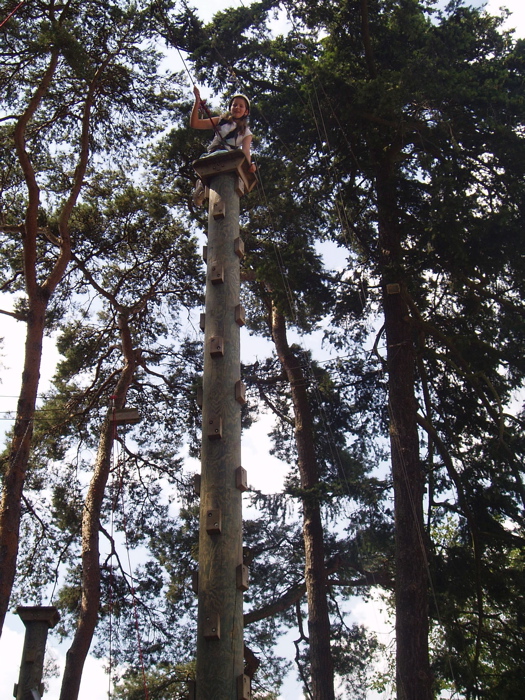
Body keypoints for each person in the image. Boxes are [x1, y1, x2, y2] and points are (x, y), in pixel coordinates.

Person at [190, 86, 256, 205]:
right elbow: (195, 123)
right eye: (234, 105)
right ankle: (203, 186)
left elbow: (246, 151)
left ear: (246, 111)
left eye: (241, 106)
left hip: (229, 158)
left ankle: (205, 187)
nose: (237, 108)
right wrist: (197, 101)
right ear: (230, 108)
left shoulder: (246, 132)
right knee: (212, 163)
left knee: (228, 174)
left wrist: (248, 167)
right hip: (213, 154)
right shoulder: (220, 121)